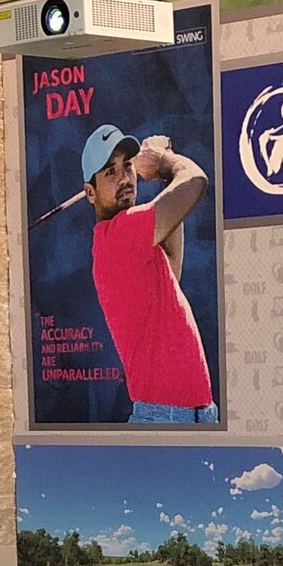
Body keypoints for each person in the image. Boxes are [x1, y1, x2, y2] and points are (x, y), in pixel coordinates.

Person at [82, 121, 218, 424]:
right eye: (110, 172)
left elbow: (172, 266)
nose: (124, 178)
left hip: (186, 414)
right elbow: (195, 182)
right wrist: (165, 161)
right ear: (90, 193)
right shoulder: (118, 234)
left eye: (127, 166)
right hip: (168, 416)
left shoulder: (129, 238)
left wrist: (166, 175)